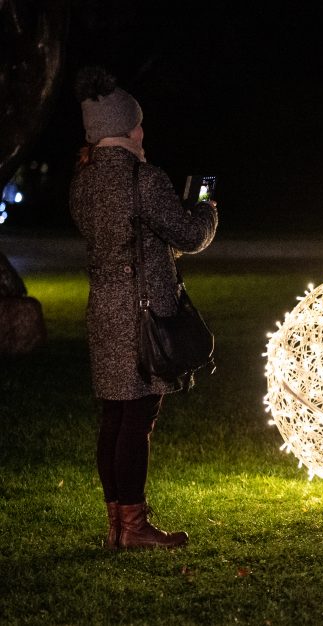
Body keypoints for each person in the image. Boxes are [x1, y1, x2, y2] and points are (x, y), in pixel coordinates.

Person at [69, 67, 219, 547]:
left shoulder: (83, 182)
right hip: (142, 317)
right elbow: (191, 236)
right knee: (138, 420)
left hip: (105, 312)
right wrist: (207, 207)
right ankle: (133, 528)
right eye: (137, 125)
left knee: (114, 418)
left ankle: (117, 526)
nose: (142, 132)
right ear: (125, 128)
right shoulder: (145, 180)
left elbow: (129, 241)